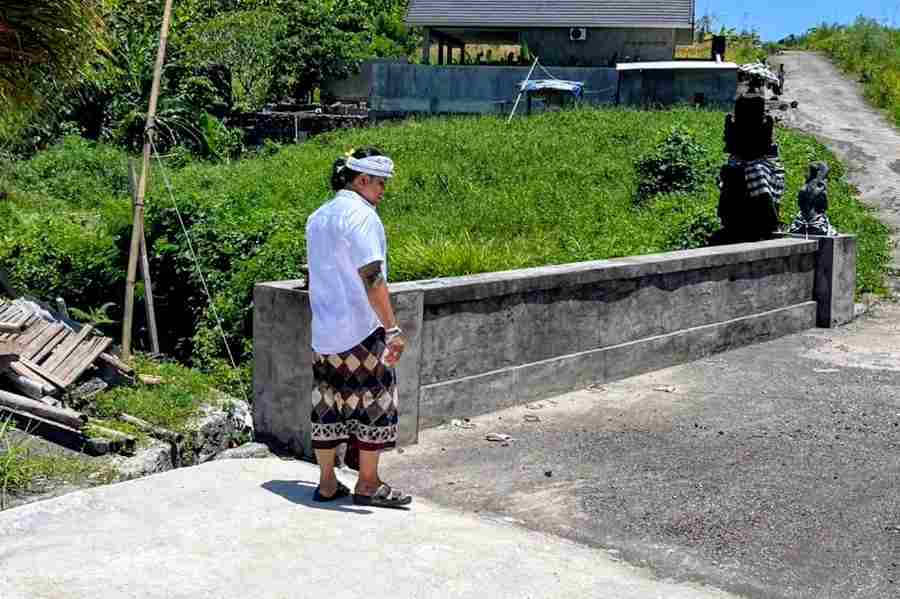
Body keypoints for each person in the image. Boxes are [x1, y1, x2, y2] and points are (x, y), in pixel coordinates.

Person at [304, 147, 412, 509]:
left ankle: (327, 483)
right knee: (376, 403)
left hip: (324, 331)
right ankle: (367, 483)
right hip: (361, 331)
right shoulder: (362, 217)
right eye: (380, 183)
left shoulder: (317, 217)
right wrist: (392, 329)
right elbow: (372, 277)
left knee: (327, 404)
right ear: (361, 180)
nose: (383, 191)